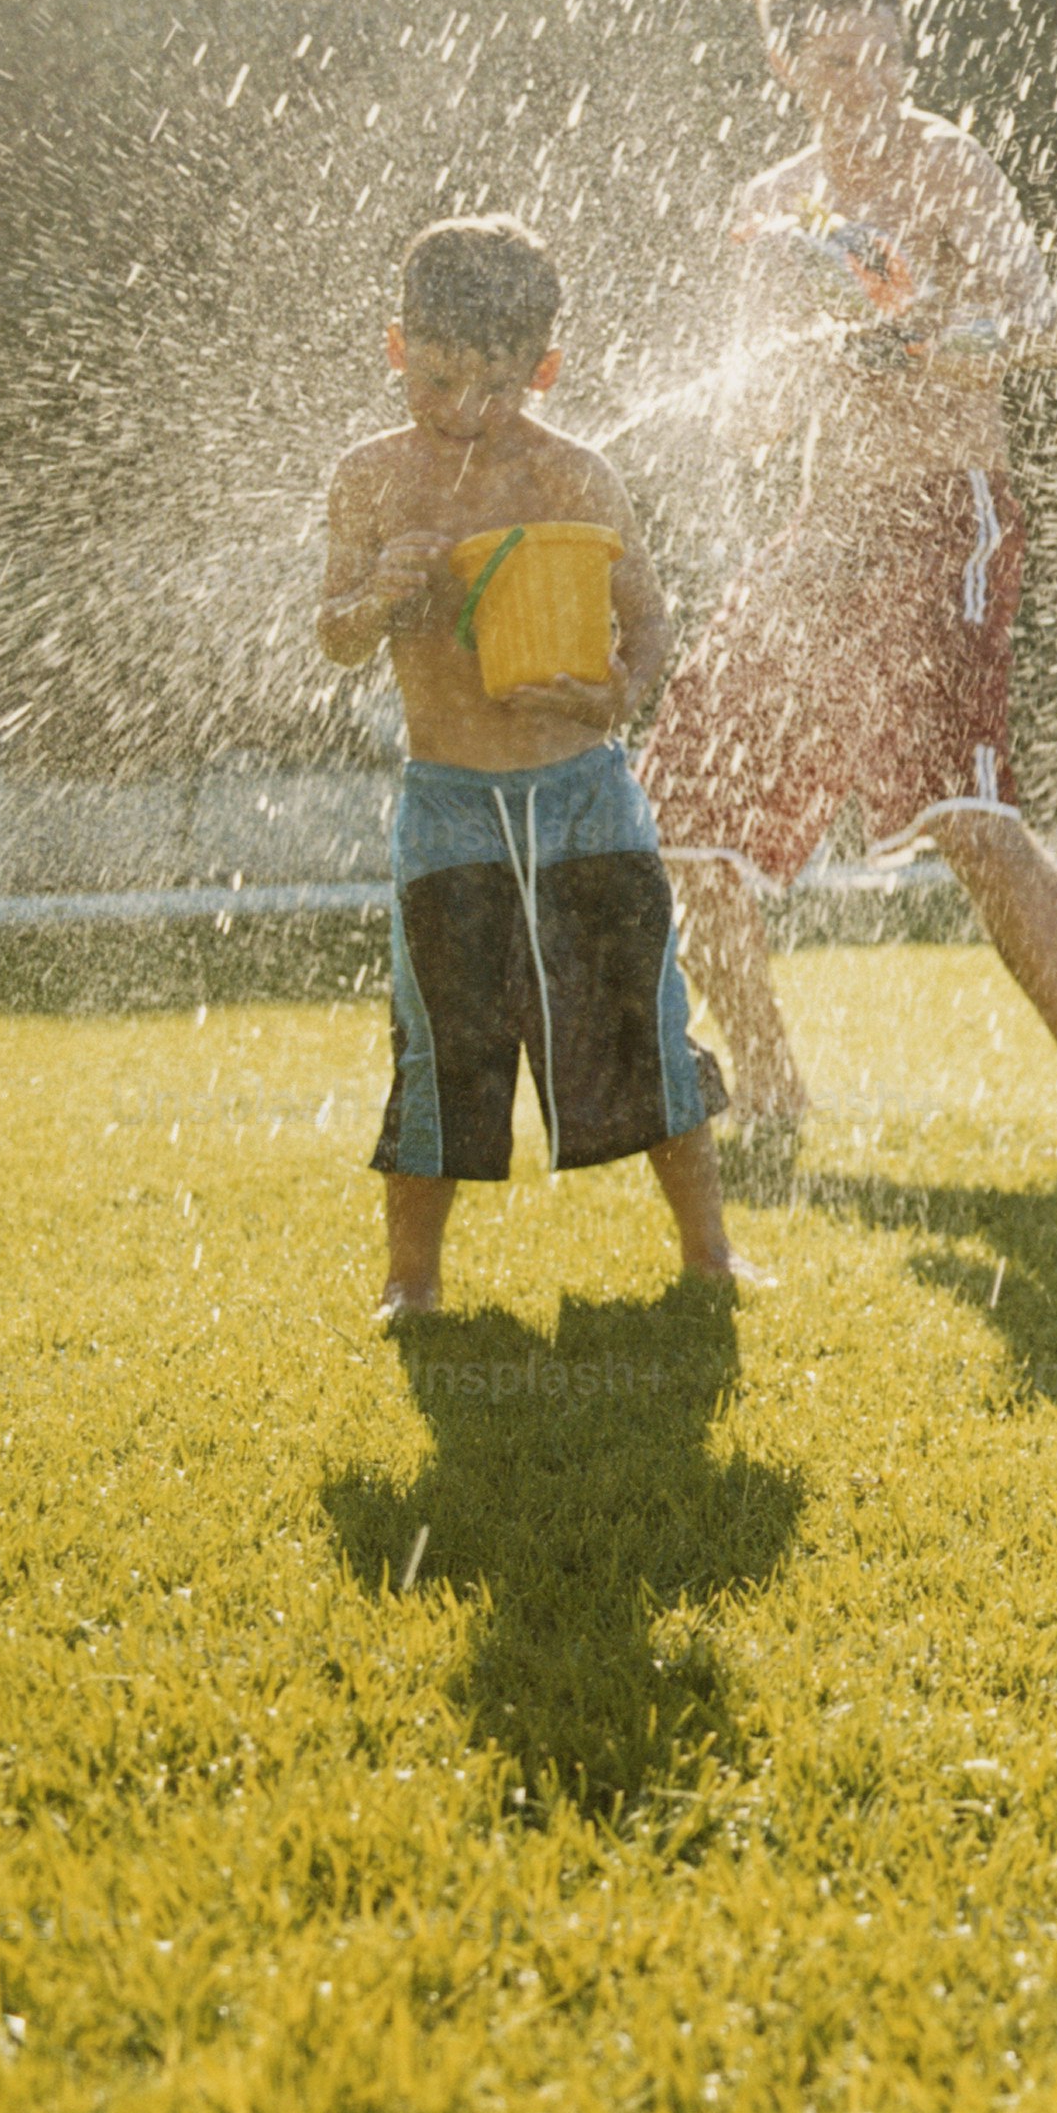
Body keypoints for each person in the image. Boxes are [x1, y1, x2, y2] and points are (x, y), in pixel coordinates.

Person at [634, 0, 1057, 1161]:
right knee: (680, 808)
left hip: (947, 509)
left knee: (963, 812)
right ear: (785, 65)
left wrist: (918, 340)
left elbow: (1039, 325)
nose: (871, 86)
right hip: (828, 523)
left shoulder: (947, 162)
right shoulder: (765, 209)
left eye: (887, 57)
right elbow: (756, 423)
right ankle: (768, 1093)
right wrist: (783, 363)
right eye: (840, 64)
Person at [318, 214, 755, 1319]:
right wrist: (377, 593)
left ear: (546, 370)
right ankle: (409, 1285)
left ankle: (711, 1255)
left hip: (583, 797)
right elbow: (332, 631)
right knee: (441, 1042)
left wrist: (615, 691)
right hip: (449, 804)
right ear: (395, 347)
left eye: (498, 387)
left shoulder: (577, 477)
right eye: (438, 379)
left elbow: (649, 620)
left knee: (641, 1020)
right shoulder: (369, 482)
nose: (466, 409)